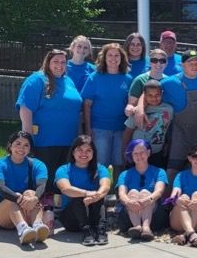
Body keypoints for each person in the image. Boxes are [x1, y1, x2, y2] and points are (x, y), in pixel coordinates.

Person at [16, 48, 83, 209]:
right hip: (44, 141)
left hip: (68, 141)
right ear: (47, 62)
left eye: (63, 62)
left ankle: (59, 211)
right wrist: (27, 138)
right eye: (55, 62)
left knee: (61, 179)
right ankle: (42, 212)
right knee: (45, 179)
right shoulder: (37, 80)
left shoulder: (68, 81)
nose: (59, 65)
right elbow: (25, 108)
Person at [160, 49, 197, 183]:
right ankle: (167, 201)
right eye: (190, 62)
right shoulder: (169, 83)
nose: (195, 65)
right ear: (182, 65)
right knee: (173, 171)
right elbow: (149, 94)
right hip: (181, 137)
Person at [0, 130, 51, 246]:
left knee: (31, 193)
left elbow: (42, 185)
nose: (21, 148)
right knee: (14, 196)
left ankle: (37, 225)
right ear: (10, 145)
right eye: (18, 144)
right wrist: (18, 199)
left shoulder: (38, 165)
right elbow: (0, 187)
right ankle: (23, 230)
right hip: (3, 214)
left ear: (30, 149)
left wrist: (35, 198)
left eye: (26, 145)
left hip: (28, 209)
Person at [80, 42, 132, 174]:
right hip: (99, 128)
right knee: (100, 163)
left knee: (120, 163)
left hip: (121, 128)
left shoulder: (128, 79)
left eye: (117, 55)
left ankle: (118, 192)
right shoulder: (95, 78)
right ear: (104, 57)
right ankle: (98, 192)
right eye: (110, 55)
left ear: (122, 58)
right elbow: (87, 105)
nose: (113, 58)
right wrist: (87, 129)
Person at [54, 134, 111, 247]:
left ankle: (100, 229)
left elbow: (106, 186)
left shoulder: (100, 169)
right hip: (71, 220)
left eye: (88, 150)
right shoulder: (63, 169)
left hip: (93, 216)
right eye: (79, 150)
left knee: (100, 194)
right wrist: (87, 193)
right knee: (78, 196)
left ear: (93, 153)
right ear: (73, 152)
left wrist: (96, 195)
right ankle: (86, 231)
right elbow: (66, 189)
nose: (84, 153)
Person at [116, 139, 169, 240]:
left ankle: (146, 228)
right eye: (135, 153)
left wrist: (146, 200)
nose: (139, 156)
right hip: (129, 217)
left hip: (154, 216)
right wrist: (129, 202)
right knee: (133, 192)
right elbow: (122, 194)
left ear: (148, 153)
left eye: (142, 152)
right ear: (131, 155)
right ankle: (137, 227)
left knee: (145, 192)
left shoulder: (159, 172)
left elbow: (159, 191)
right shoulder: (124, 174)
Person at [121, 79, 173, 169]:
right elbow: (128, 132)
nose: (154, 98)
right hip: (137, 152)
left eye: (157, 95)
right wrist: (125, 151)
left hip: (157, 151)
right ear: (144, 95)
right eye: (150, 95)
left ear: (162, 93)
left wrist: (167, 144)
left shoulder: (169, 109)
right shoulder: (138, 111)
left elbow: (168, 128)